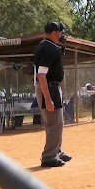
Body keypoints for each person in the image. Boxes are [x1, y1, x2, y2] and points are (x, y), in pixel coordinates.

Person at [33, 21, 72, 167]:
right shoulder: (48, 48)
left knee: (58, 122)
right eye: (60, 32)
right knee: (53, 123)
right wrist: (48, 99)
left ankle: (57, 150)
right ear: (55, 32)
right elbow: (41, 75)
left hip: (52, 88)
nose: (62, 35)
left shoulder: (49, 46)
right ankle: (49, 156)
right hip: (48, 88)